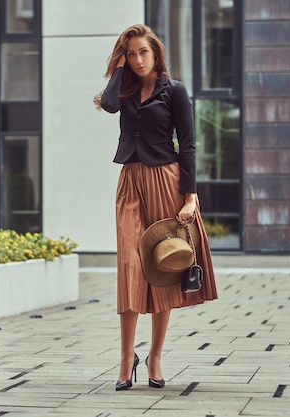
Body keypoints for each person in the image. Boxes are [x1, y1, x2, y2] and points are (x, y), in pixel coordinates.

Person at [94, 24, 218, 391]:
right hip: (130, 182)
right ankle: (125, 358)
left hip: (166, 179)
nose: (137, 60)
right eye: (130, 54)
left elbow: (189, 145)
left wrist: (190, 195)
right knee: (130, 267)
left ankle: (156, 357)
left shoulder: (175, 91)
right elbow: (111, 103)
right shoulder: (125, 89)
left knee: (163, 265)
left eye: (142, 52)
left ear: (156, 52)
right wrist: (117, 67)